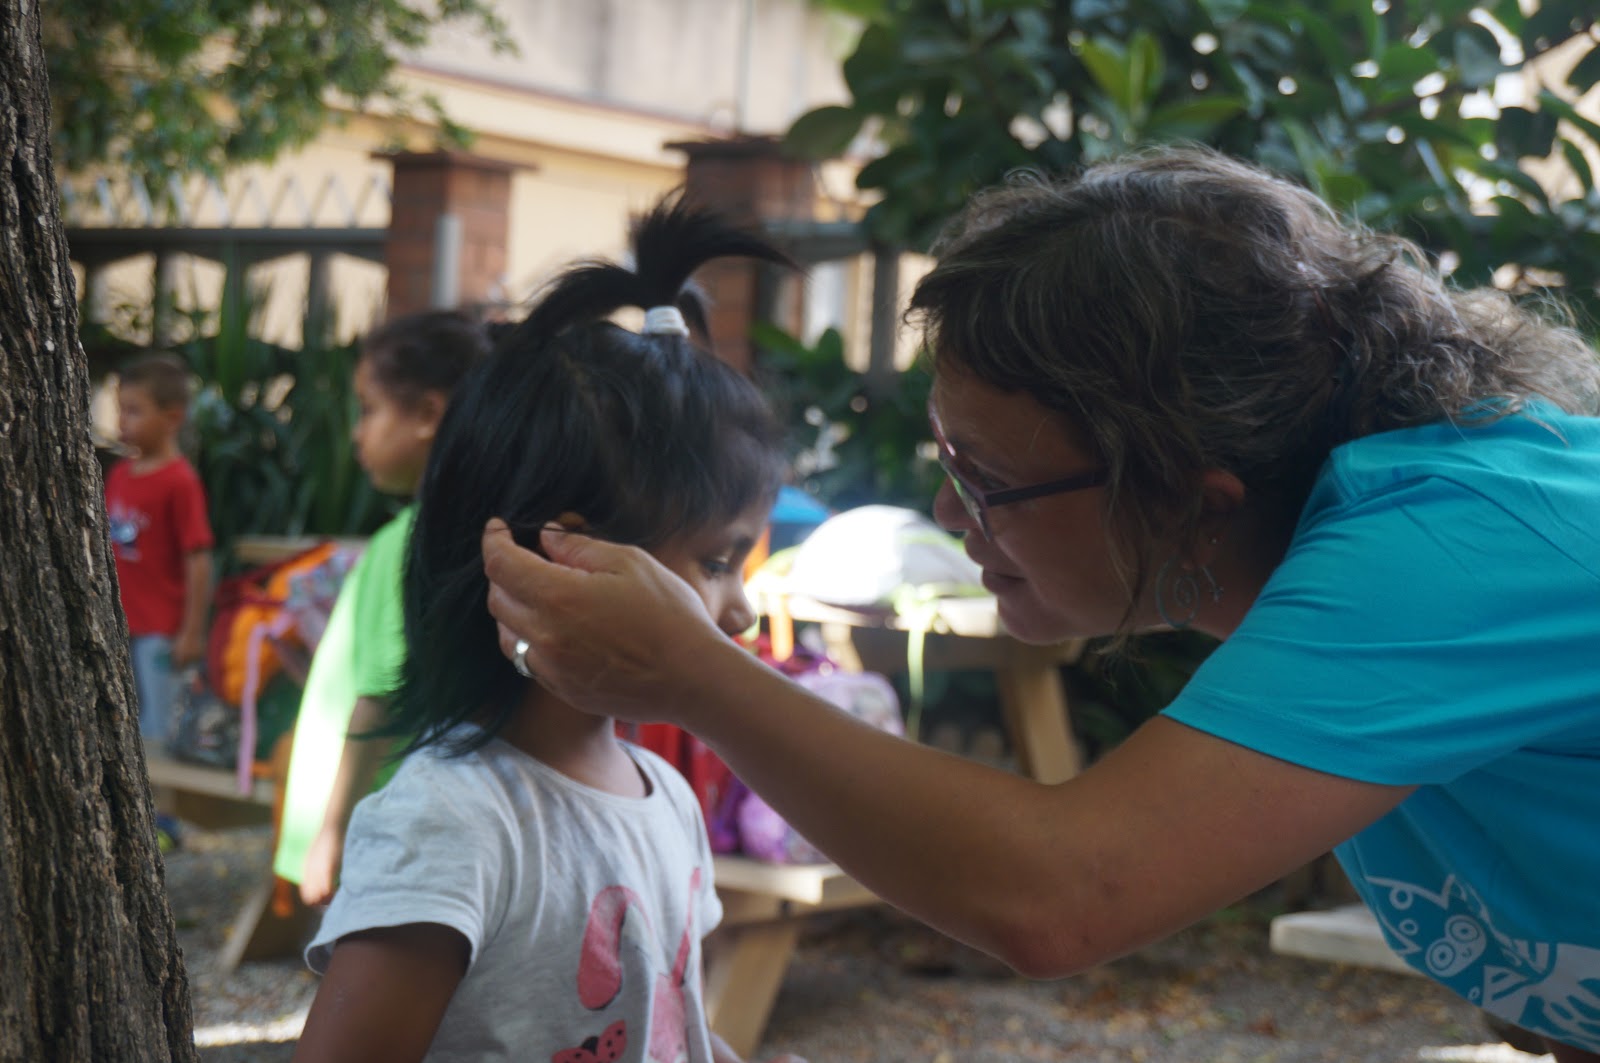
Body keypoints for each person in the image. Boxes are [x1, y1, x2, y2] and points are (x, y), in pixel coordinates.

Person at [481, 148, 1600, 1061]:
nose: (949, 507)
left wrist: (691, 673)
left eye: (987, 478)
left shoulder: (1453, 548)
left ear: (1183, 495)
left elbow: (1061, 895)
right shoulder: (1389, 564)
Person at [293, 199, 806, 1063]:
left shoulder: (666, 797)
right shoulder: (452, 820)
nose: (744, 608)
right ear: (572, 559)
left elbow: (665, 1021)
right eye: (718, 560)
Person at [272, 310, 492, 905]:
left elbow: (384, 689)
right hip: (398, 826)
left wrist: (334, 831)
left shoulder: (415, 543)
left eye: (368, 409)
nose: (356, 433)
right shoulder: (466, 535)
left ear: (427, 414)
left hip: (374, 829)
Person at [106, 353, 215, 748]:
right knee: (123, 723)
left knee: (157, 731)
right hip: (120, 627)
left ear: (172, 417)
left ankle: (159, 812)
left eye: (134, 411)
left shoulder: (180, 482)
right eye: (121, 410)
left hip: (161, 634)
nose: (122, 421)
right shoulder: (118, 475)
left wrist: (191, 632)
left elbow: (198, 558)